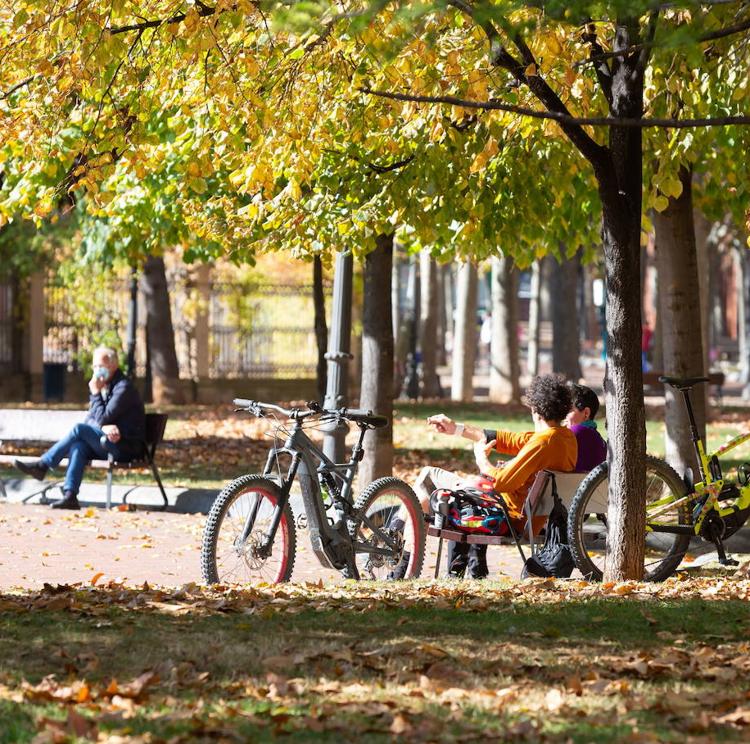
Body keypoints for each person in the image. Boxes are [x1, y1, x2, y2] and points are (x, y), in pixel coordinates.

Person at [417, 374, 578, 579]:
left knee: (429, 476)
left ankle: (403, 556)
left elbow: (501, 482)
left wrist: (482, 461)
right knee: (462, 488)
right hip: (526, 516)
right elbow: (506, 439)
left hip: (507, 516)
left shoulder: (543, 443)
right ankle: (455, 568)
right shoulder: (565, 438)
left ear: (535, 410)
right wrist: (456, 428)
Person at [14, 346, 145, 510]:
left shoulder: (123, 388)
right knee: (78, 445)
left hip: (126, 447)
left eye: (101, 366)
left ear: (113, 365)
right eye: (95, 366)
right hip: (107, 442)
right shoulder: (105, 386)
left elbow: (103, 417)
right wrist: (103, 426)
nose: (97, 370)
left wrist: (96, 394)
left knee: (78, 429)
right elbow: (92, 419)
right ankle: (70, 496)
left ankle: (43, 465)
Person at [566, 384, 607, 472]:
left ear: (586, 413)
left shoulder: (576, 432)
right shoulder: (597, 438)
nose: (563, 415)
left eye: (569, 411)